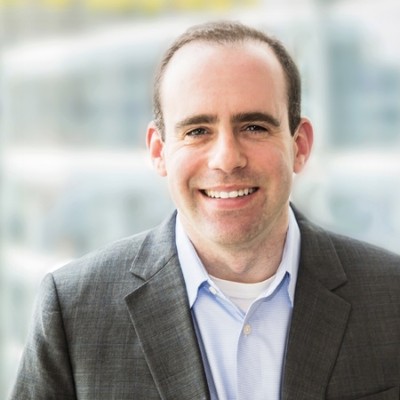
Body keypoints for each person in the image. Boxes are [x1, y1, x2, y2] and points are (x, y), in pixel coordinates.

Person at [9, 20, 400, 400]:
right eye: (197, 131)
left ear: (300, 146)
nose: (227, 159)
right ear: (159, 152)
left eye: (254, 127)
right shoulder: (74, 310)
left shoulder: (391, 296)